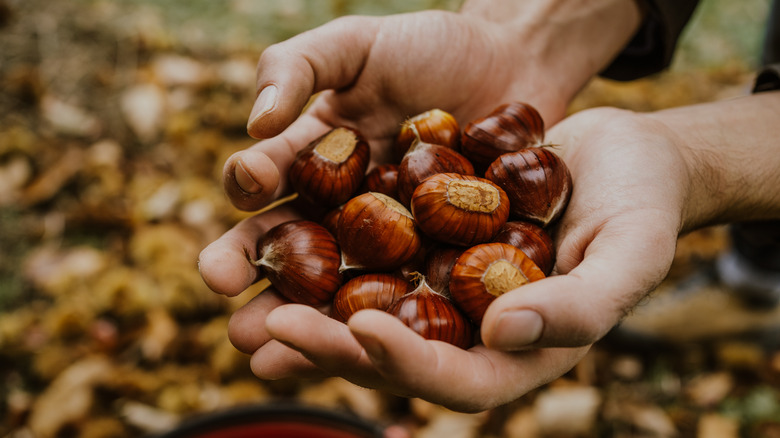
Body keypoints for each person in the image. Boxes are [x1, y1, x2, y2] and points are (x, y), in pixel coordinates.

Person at [198, 0, 780, 412]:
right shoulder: (439, 195)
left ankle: (756, 282)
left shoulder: (462, 200)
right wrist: (524, 35)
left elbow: (430, 196)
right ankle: (757, 272)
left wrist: (683, 159)